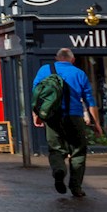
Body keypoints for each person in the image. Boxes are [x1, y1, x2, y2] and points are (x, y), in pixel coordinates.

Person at [32, 51, 96, 199]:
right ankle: (76, 187)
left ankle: (59, 170)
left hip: (52, 115)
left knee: (55, 149)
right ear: (72, 59)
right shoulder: (79, 73)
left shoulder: (44, 70)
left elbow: (36, 93)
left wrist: (36, 114)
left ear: (56, 58)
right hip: (74, 116)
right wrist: (96, 122)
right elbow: (89, 100)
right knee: (78, 150)